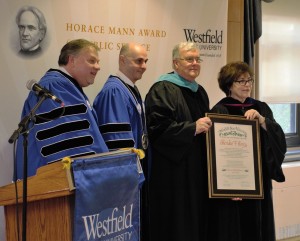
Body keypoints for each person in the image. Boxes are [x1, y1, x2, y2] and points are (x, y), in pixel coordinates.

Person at [208, 61, 286, 241]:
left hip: (258, 183)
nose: (247, 85)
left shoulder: (261, 108)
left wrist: (263, 121)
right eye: (240, 81)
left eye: (249, 80)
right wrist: (228, 187)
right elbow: (213, 154)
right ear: (229, 85)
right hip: (232, 188)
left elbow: (278, 140)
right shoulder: (219, 111)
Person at [145, 42, 212, 241]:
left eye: (197, 59)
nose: (194, 63)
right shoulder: (163, 89)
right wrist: (192, 128)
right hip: (174, 173)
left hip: (196, 170)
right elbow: (157, 129)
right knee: (177, 223)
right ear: (176, 63)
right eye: (189, 59)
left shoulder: (199, 91)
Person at [15, 39, 109, 180]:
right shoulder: (55, 87)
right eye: (92, 61)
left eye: (98, 62)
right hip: (54, 185)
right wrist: (97, 175)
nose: (98, 67)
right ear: (72, 60)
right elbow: (68, 145)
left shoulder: (69, 87)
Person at [93, 42, 149, 240]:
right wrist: (129, 176)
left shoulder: (130, 89)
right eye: (138, 61)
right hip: (121, 179)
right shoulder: (114, 91)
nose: (143, 66)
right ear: (122, 60)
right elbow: (117, 142)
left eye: (145, 61)